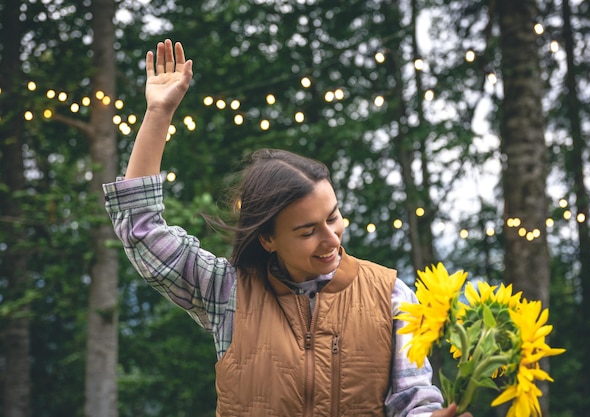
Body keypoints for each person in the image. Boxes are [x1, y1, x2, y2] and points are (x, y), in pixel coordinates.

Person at [103, 39, 472, 417]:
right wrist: (158, 113)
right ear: (267, 238)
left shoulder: (391, 295)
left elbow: (413, 400)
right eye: (307, 231)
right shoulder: (227, 292)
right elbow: (141, 228)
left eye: (332, 217)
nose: (331, 238)